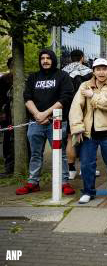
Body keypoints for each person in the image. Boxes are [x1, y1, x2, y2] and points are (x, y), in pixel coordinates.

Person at [16, 49, 75, 195]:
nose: (45, 61)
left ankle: (64, 182)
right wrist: (37, 114)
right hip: (35, 123)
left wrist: (45, 114)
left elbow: (66, 97)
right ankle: (33, 182)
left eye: (48, 58)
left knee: (60, 153)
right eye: (42, 58)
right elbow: (27, 97)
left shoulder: (62, 76)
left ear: (53, 59)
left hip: (56, 122)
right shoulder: (33, 77)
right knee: (35, 154)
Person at [69, 58, 107, 204]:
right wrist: (77, 128)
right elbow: (76, 107)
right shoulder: (84, 85)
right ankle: (88, 192)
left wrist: (93, 96)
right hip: (89, 131)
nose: (101, 72)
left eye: (104, 68)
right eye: (98, 69)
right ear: (93, 71)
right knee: (87, 164)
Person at [62, 49, 94, 180]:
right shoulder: (88, 71)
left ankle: (71, 169)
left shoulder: (63, 72)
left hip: (68, 108)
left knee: (70, 137)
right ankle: (85, 168)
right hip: (86, 106)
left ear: (70, 58)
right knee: (88, 137)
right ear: (82, 57)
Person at [0, 57, 13, 177]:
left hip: (22, 116)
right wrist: (2, 113)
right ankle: (9, 167)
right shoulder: (4, 79)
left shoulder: (25, 78)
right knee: (7, 141)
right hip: (7, 114)